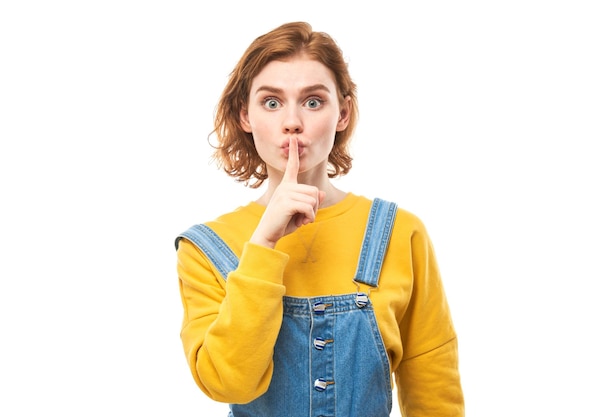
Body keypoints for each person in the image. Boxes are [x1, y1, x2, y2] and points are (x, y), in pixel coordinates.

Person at [175, 21, 464, 417]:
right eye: (271, 102)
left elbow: (434, 389)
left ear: (342, 113)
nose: (292, 121)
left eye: (313, 101)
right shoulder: (206, 247)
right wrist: (262, 245)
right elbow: (228, 383)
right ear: (245, 115)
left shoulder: (399, 232)